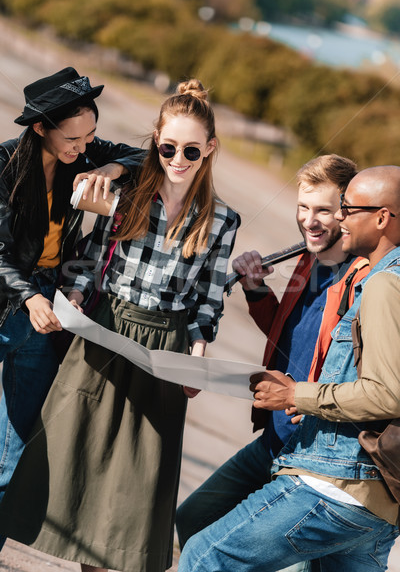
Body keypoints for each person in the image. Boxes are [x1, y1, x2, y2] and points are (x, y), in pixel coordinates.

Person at [0, 79, 240, 572]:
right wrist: (65, 296)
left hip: (160, 348)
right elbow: (90, 261)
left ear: (210, 150)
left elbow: (210, 296)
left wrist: (198, 348)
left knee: (126, 494)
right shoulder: (122, 191)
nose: (178, 159)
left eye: (191, 151)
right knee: (65, 468)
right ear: (156, 139)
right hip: (91, 327)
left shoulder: (221, 219)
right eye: (168, 146)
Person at [178, 164, 400, 571]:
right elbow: (290, 336)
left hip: (324, 459)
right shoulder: (310, 263)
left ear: (380, 217)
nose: (317, 220)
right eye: (303, 207)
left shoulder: (374, 280)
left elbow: (379, 387)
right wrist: (257, 290)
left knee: (207, 557)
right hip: (296, 449)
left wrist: (294, 394)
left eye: (340, 209)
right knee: (196, 519)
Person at [0, 66, 143, 511]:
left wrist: (108, 168)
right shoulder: (2, 165)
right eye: (72, 140)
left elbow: (146, 156)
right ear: (40, 127)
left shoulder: (81, 157)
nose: (81, 147)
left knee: (16, 449)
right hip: (13, 297)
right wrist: (29, 296)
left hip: (48, 304)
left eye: (90, 137)